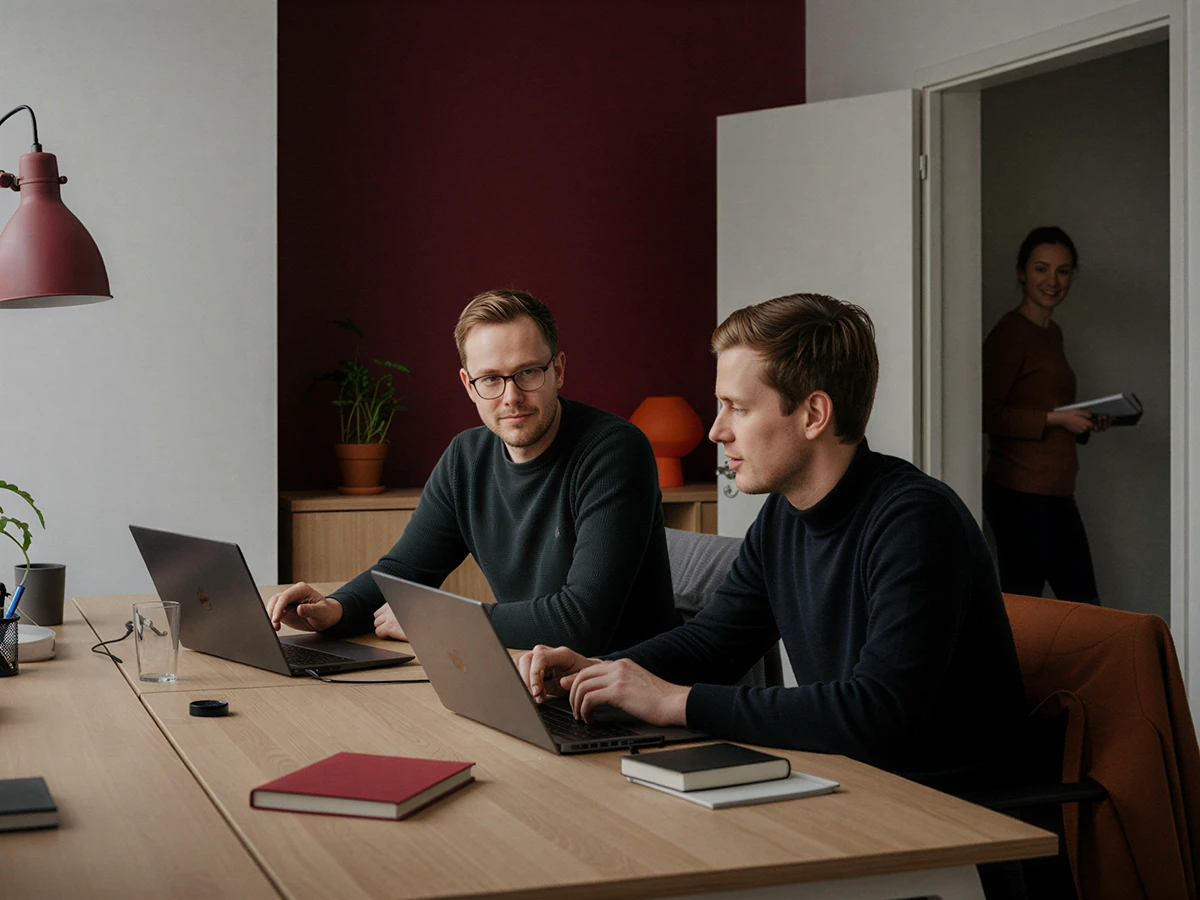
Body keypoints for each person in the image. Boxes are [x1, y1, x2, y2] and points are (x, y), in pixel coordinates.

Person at [517, 293, 1026, 793]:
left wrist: (676, 703)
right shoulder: (784, 517)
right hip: (854, 785)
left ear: (813, 415)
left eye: (736, 408)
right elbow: (714, 642)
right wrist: (600, 669)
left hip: (949, 814)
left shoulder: (916, 522)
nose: (718, 431)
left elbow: (878, 712)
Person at [267, 289, 679, 656]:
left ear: (559, 369)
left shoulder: (614, 451)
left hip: (627, 694)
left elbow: (581, 623)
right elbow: (406, 571)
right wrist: (334, 610)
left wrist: (437, 621)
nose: (511, 397)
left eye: (528, 373)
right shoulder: (467, 457)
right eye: (491, 379)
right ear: (468, 385)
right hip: (532, 677)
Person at [982, 226, 1109, 604]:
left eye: (1063, 271)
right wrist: (1057, 420)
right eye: (1041, 269)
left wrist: (1083, 421)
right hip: (1019, 494)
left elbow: (1043, 405)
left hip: (1055, 492)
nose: (1052, 281)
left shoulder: (1051, 333)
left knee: (1085, 610)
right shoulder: (1010, 333)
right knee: (1026, 612)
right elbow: (986, 414)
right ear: (1022, 272)